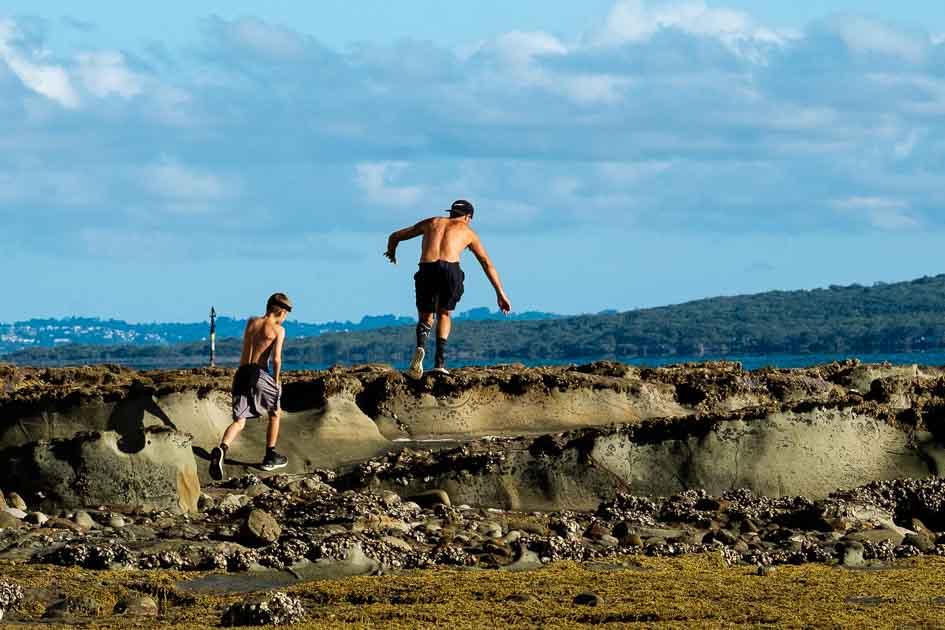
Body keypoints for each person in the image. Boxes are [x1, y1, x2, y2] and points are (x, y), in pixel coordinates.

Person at [385, 199, 511, 377]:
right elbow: (486, 263)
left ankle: (420, 347)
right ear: (468, 217)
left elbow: (395, 236)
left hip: (427, 268)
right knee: (444, 313)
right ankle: (439, 362)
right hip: (450, 270)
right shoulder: (468, 232)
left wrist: (391, 252)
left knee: (426, 316)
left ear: (451, 213)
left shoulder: (432, 222)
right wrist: (500, 293)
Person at [209, 293, 292, 480]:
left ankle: (222, 449)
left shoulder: (251, 322)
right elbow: (277, 359)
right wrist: (276, 381)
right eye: (287, 312)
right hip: (258, 373)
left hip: (241, 374)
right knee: (275, 412)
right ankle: (270, 456)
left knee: (239, 421)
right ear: (282, 311)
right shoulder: (279, 330)